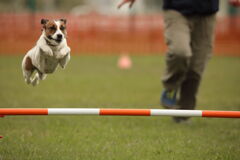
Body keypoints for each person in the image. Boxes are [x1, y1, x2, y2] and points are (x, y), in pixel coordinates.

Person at [118, 0, 219, 123]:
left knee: (196, 68)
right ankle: (171, 86)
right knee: (180, 52)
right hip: (176, 10)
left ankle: (183, 115)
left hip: (207, 14)